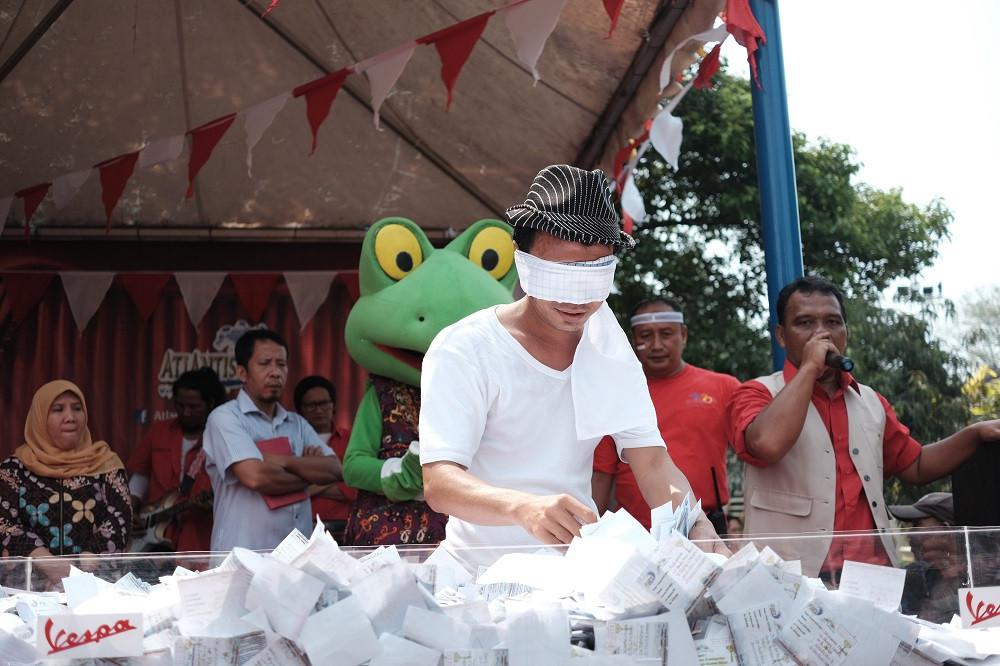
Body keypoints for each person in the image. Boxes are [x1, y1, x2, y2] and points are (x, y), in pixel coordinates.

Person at [420, 164, 725, 567]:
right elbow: (440, 481)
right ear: (524, 263)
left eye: (592, 280)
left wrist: (696, 522)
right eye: (558, 278)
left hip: (575, 572)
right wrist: (521, 508)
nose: (576, 302)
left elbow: (651, 461)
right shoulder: (466, 348)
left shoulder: (609, 348)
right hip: (477, 571)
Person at [728, 276, 1000, 577]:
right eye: (805, 323)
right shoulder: (756, 393)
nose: (822, 333)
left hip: (871, 575)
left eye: (833, 322)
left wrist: (974, 434)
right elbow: (767, 444)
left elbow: (917, 465)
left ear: (846, 331)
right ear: (781, 335)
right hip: (789, 578)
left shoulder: (870, 401)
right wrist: (809, 369)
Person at [592, 297, 739, 533]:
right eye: (646, 336)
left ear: (684, 334)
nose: (657, 345)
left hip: (704, 528)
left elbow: (754, 453)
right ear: (632, 340)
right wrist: (585, 534)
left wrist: (739, 520)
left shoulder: (724, 387)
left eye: (667, 333)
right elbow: (602, 474)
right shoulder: (617, 395)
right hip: (635, 533)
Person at [203, 329, 343, 552]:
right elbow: (257, 477)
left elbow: (335, 470)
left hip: (297, 562)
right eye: (265, 363)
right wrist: (309, 471)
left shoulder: (297, 423)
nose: (275, 372)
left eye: (281, 364)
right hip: (244, 557)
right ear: (241, 372)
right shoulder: (225, 418)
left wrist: (282, 461)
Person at [0, 380, 132, 583]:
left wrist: (85, 563)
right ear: (40, 416)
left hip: (96, 588)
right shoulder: (14, 470)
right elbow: (3, 523)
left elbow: (119, 519)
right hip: (29, 590)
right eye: (58, 410)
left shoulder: (106, 465)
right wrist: (43, 559)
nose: (70, 417)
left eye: (77, 409)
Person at [127, 367, 227, 552]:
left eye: (193, 407)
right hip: (153, 536)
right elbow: (141, 475)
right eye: (180, 405)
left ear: (210, 403)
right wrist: (131, 511)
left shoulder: (222, 436)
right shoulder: (159, 431)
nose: (185, 412)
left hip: (199, 536)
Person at [293, 375, 356, 540]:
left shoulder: (352, 439)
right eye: (311, 405)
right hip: (303, 529)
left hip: (346, 528)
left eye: (324, 403)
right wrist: (335, 479)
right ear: (300, 409)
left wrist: (311, 486)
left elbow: (356, 488)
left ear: (333, 405)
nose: (319, 410)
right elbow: (289, 488)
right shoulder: (292, 443)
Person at [890, 492, 964, 623]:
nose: (910, 534)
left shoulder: (979, 579)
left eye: (918, 524)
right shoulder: (914, 577)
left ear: (948, 531)